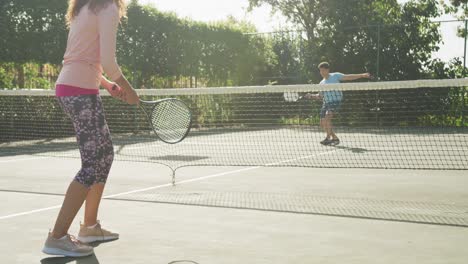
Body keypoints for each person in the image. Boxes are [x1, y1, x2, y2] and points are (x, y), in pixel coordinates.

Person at [42, 0, 139, 257]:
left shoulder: (84, 7)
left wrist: (106, 84)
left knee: (104, 155)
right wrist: (130, 91)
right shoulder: (107, 7)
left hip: (76, 88)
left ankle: (90, 227)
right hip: (79, 92)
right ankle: (58, 237)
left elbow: (85, 57)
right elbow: (108, 60)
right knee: (92, 164)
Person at [306, 62, 370, 146]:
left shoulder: (335, 76)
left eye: (323, 70)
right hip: (326, 103)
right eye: (320, 71)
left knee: (327, 117)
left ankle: (328, 138)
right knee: (322, 123)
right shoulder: (321, 83)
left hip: (335, 101)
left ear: (328, 70)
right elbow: (320, 96)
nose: (321, 72)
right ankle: (335, 138)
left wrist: (361, 75)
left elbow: (348, 77)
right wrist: (311, 96)